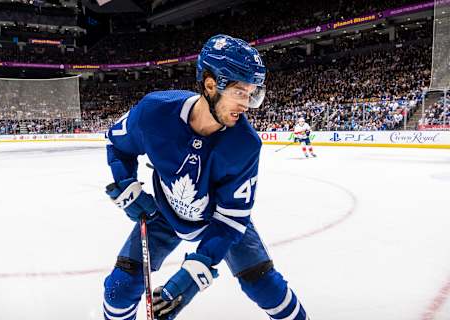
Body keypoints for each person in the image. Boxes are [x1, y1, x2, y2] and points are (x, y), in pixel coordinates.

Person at [103, 34, 309, 320]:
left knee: (265, 287)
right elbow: (117, 144)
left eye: (252, 94)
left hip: (218, 221)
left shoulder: (245, 145)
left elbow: (231, 220)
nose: (247, 104)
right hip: (164, 213)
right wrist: (126, 185)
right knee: (120, 287)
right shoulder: (155, 112)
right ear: (211, 85)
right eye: (240, 93)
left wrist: (192, 276)